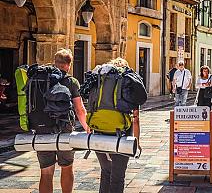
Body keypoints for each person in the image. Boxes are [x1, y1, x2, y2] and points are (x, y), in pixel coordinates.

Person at [37, 48, 89, 193]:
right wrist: (87, 128)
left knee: (46, 172)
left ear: (55, 62)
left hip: (42, 129)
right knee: (66, 167)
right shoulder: (71, 81)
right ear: (69, 64)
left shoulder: (40, 79)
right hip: (64, 129)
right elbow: (79, 110)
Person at [95, 57, 141, 193]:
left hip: (99, 133)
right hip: (122, 134)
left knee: (105, 172)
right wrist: (137, 142)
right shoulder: (127, 83)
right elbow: (136, 119)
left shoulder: (100, 82)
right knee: (118, 176)